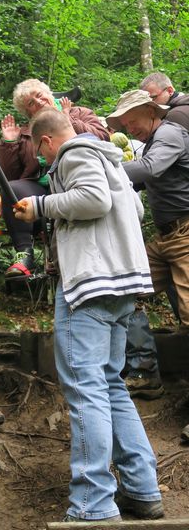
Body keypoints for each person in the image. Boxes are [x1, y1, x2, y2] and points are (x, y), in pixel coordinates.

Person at [13, 107, 163, 522]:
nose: (43, 164)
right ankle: (142, 489)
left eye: (41, 155)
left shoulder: (75, 154)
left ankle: (93, 502)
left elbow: (92, 200)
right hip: (122, 287)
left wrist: (42, 206)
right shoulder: (111, 160)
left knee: (85, 390)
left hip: (92, 287)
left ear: (45, 141)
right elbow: (135, 211)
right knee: (110, 385)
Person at [107, 89, 189, 440]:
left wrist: (101, 168)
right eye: (124, 124)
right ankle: (144, 373)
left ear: (150, 111)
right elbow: (140, 179)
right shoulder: (153, 138)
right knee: (127, 288)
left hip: (185, 234)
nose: (130, 128)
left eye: (131, 121)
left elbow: (150, 167)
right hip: (165, 238)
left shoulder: (169, 132)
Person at [0, 78, 110, 277]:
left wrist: (67, 119)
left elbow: (102, 138)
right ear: (28, 111)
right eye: (31, 102)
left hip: (76, 180)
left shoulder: (79, 113)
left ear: (50, 94)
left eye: (40, 96)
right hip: (41, 186)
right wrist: (9, 143)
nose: (38, 102)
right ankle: (24, 254)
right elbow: (11, 176)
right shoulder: (24, 132)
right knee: (12, 188)